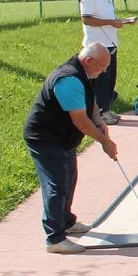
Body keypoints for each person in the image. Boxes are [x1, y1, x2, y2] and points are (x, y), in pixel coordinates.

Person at [23, 43, 119, 254]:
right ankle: (55, 239)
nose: (103, 71)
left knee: (69, 178)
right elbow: (80, 121)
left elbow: (90, 101)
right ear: (89, 60)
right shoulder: (68, 79)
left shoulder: (83, 73)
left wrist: (99, 120)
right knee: (56, 184)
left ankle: (66, 221)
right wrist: (104, 142)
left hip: (62, 138)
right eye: (102, 66)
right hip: (45, 137)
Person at [79, 0, 136, 125]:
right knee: (101, 80)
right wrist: (111, 22)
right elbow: (87, 20)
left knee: (110, 79)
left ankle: (106, 108)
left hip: (111, 43)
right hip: (97, 46)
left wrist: (122, 21)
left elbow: (109, 18)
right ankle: (99, 113)